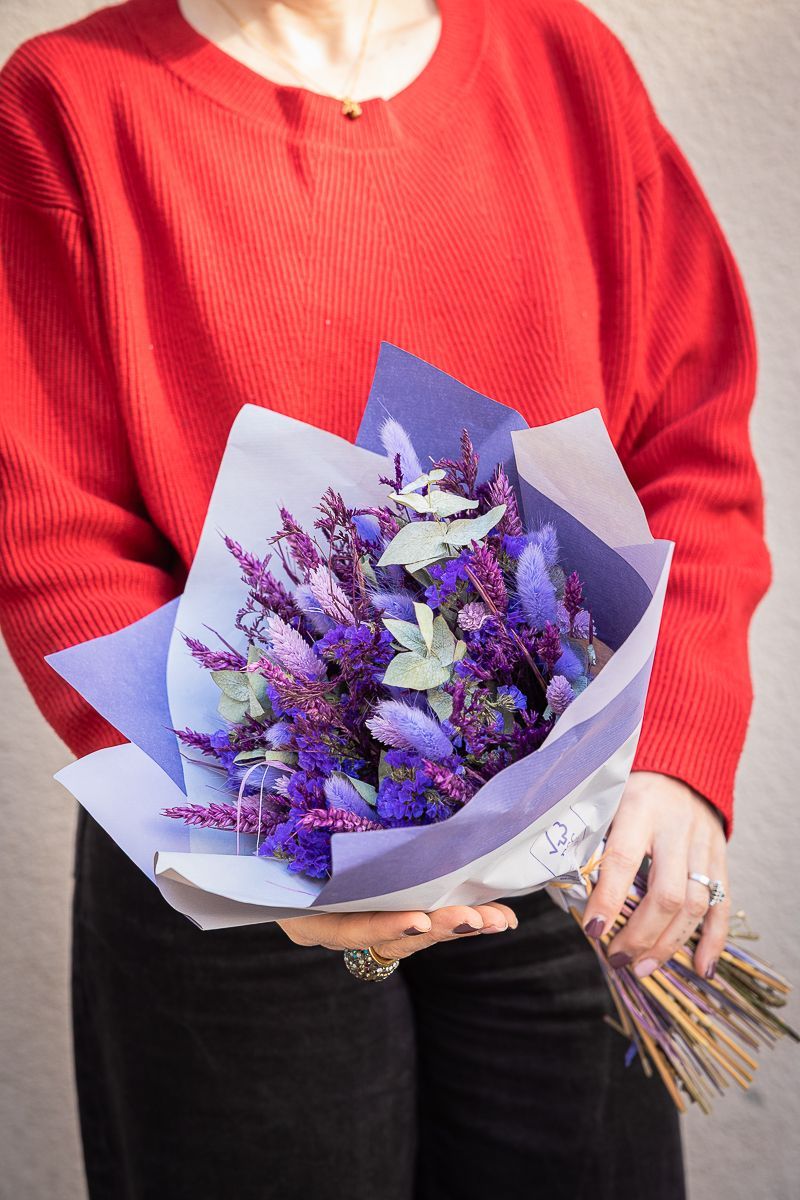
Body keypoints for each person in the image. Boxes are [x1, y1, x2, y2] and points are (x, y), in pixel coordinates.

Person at [0, 0, 770, 1197]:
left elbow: (688, 442)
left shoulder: (563, 64)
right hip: (239, 850)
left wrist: (676, 751)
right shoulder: (72, 102)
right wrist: (241, 847)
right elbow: (52, 521)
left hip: (577, 835)